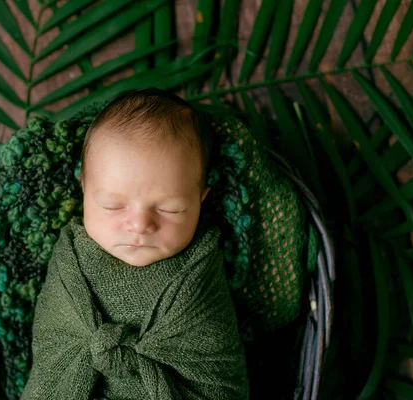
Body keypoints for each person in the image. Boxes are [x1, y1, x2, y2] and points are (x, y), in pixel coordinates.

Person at [21, 88, 249, 399]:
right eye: (114, 205)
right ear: (84, 189)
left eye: (170, 209)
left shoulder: (202, 269)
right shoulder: (70, 257)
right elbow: (52, 346)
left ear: (200, 200)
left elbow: (215, 375)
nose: (140, 225)